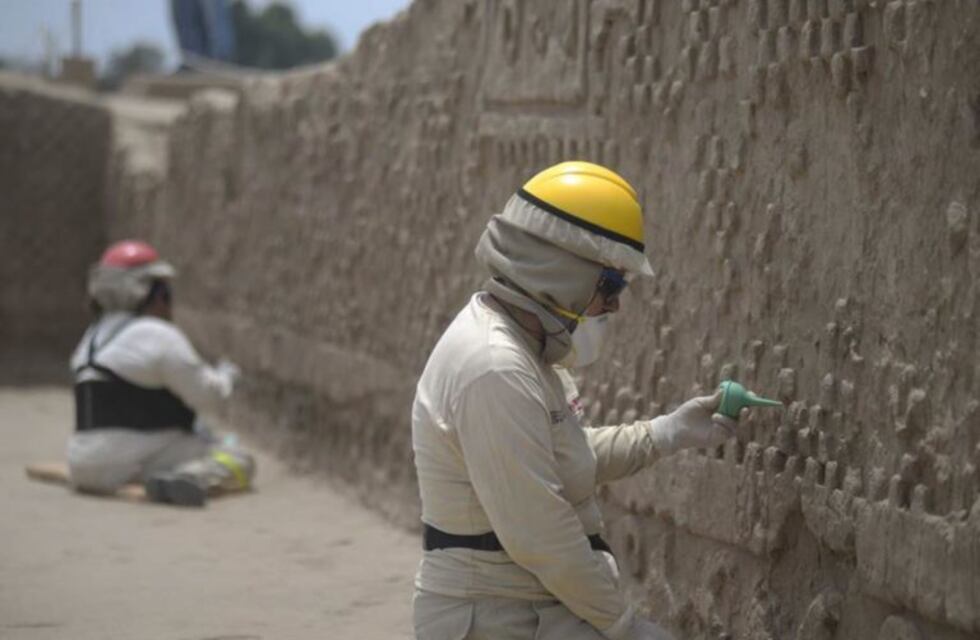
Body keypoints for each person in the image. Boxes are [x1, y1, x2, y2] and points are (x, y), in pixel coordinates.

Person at [411, 161, 740, 639]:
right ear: (560, 271)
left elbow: (561, 457)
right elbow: (539, 533)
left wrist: (667, 432)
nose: (614, 305)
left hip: (532, 609)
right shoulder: (495, 367)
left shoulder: (524, 353)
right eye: (611, 285)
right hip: (498, 619)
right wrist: (623, 627)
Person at [68, 239, 254, 507]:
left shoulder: (91, 338)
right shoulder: (158, 335)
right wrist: (227, 379)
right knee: (238, 459)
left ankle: (167, 476)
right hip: (127, 463)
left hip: (82, 465)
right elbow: (209, 397)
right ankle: (188, 477)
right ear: (152, 294)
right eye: (164, 292)